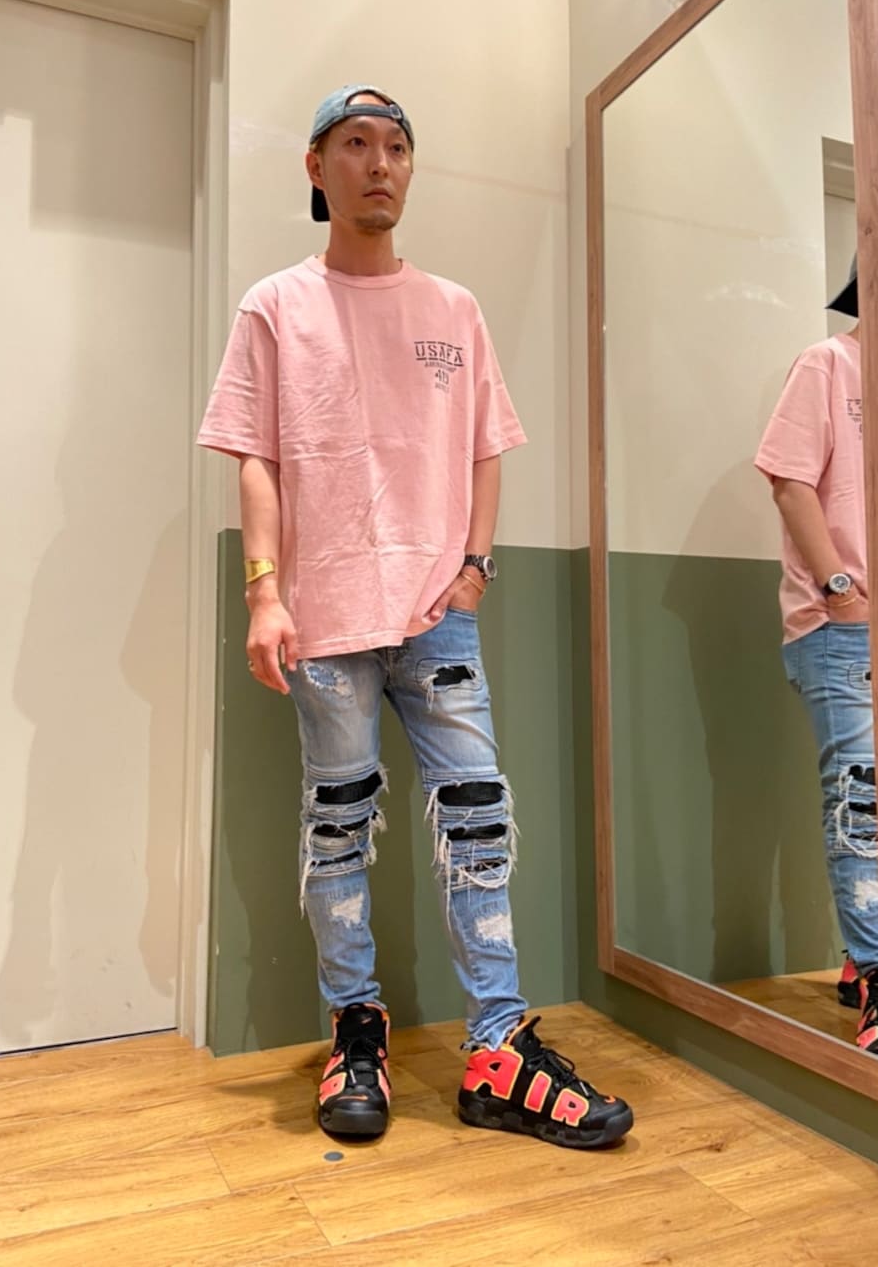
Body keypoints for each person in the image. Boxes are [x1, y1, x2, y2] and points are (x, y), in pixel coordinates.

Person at [198, 84, 633, 1147]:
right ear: (317, 168)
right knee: (338, 822)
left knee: (477, 814)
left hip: (439, 615)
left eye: (396, 145)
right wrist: (264, 589)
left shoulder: (454, 309)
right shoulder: (275, 305)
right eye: (355, 144)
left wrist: (474, 568)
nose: (380, 163)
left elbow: (486, 446)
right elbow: (256, 458)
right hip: (326, 614)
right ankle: (356, 1031)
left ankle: (498, 1049)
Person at [755, 257, 878, 1055]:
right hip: (843, 626)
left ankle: (863, 959)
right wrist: (841, 586)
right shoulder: (828, 364)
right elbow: (789, 480)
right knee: (861, 802)